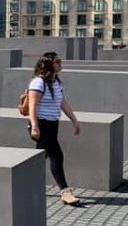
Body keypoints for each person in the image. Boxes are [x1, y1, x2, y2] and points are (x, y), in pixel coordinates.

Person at [27, 52, 82, 206]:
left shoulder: (56, 82)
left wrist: (74, 120)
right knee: (57, 155)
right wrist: (35, 127)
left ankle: (23, 181)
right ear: (49, 64)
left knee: (39, 157)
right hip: (41, 124)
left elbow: (62, 103)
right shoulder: (38, 83)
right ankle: (65, 191)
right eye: (57, 61)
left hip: (52, 124)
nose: (60, 63)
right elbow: (32, 106)